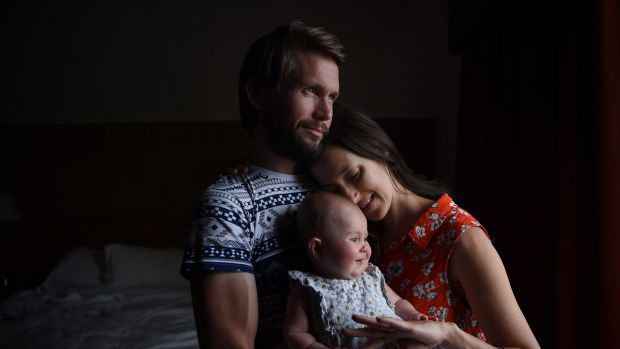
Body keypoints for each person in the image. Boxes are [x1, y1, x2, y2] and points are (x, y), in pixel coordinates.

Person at [308, 106, 541, 349]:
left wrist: (449, 334)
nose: (351, 197)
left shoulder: (459, 237)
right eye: (335, 190)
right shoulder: (363, 240)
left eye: (355, 175)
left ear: (380, 151)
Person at [180, 21, 344, 349]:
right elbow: (232, 343)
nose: (326, 112)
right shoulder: (228, 204)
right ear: (258, 94)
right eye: (310, 91)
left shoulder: (339, 182)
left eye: (332, 97)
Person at [284, 191, 432, 349]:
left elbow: (398, 303)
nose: (365, 247)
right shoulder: (308, 288)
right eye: (355, 239)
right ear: (318, 249)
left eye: (365, 238)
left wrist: (412, 315)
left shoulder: (371, 274)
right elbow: (295, 333)